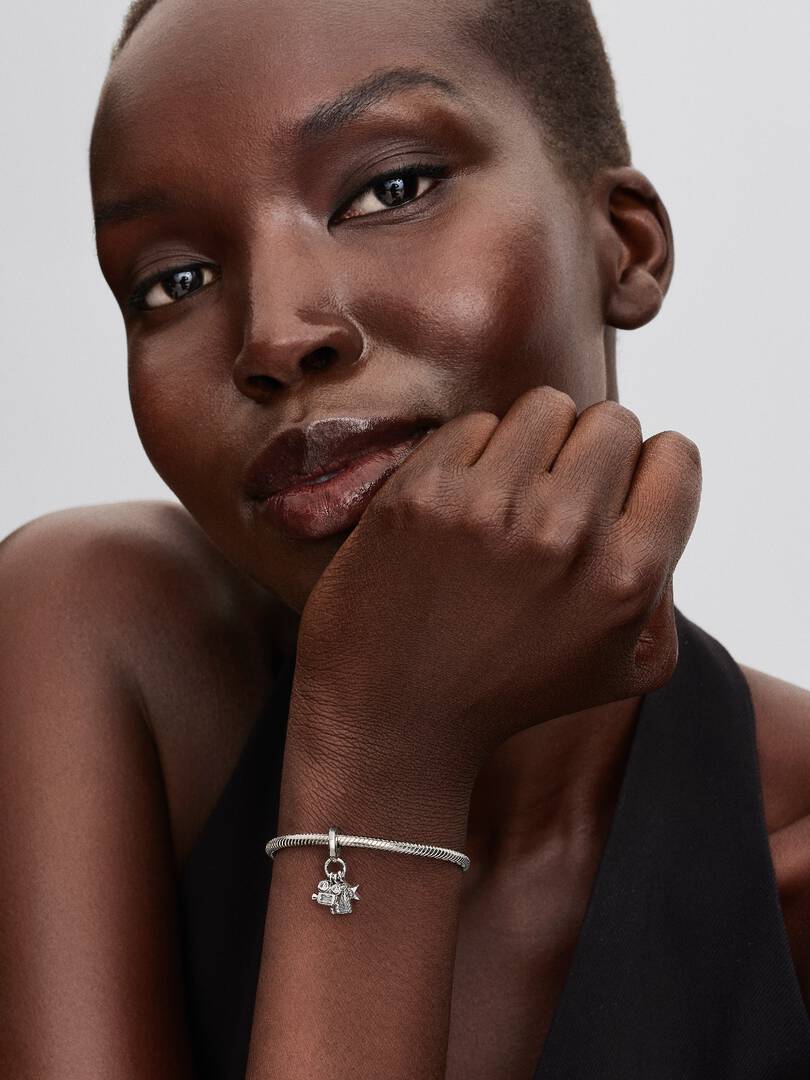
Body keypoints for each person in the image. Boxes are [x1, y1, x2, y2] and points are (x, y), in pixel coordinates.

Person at [1, 0, 808, 1077]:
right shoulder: (99, 639)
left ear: (626, 245)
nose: (275, 336)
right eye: (174, 281)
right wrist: (380, 757)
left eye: (390, 190)